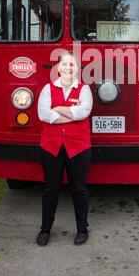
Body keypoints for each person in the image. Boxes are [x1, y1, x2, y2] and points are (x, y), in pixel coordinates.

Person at [37, 52, 93, 246]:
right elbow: (43, 114)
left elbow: (84, 112)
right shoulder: (47, 88)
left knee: (79, 188)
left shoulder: (84, 89)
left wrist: (58, 109)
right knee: (51, 189)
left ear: (77, 69)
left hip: (79, 147)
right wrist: (69, 113)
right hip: (51, 147)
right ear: (58, 68)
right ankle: (45, 230)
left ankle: (82, 230)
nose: (68, 68)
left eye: (73, 64)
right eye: (65, 64)